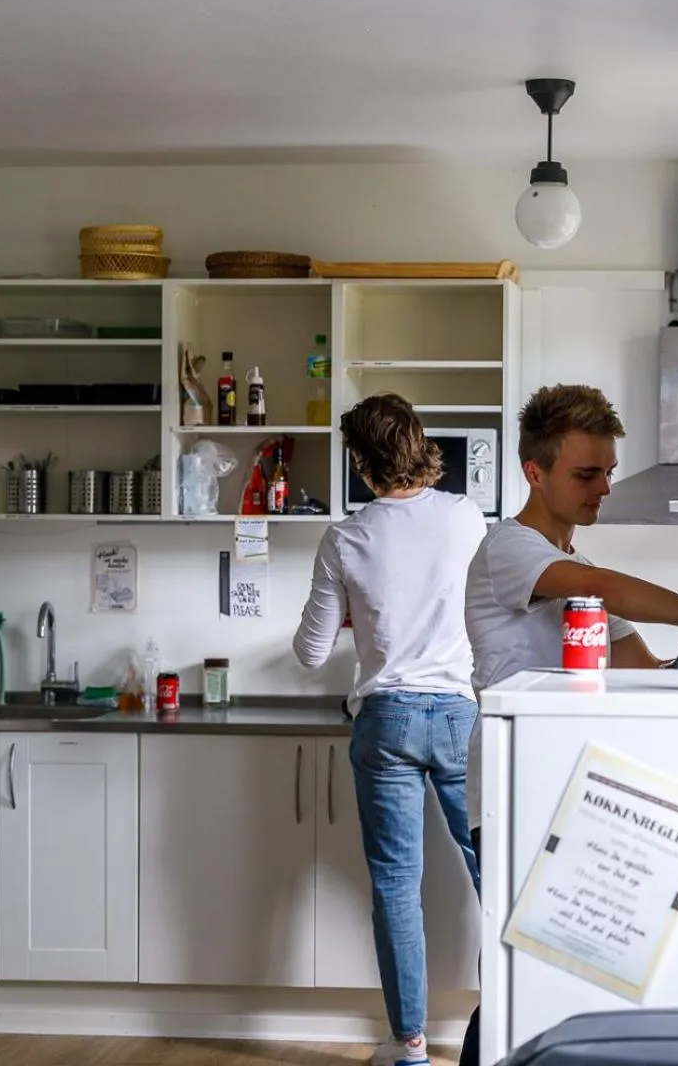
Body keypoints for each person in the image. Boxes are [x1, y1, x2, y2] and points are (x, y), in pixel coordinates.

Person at [457, 384, 678, 1066]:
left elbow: (640, 669)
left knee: (559, 964)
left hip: (574, 788)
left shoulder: (580, 573)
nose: (604, 488)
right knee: (515, 966)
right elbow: (612, 593)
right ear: (535, 473)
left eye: (608, 473)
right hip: (510, 786)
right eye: (586, 474)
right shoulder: (509, 549)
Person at [292, 393, 486, 1066]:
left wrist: (362, 617)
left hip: (388, 720)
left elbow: (312, 653)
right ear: (420, 443)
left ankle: (409, 1049)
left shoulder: (346, 537)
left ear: (359, 462)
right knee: (496, 873)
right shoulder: (467, 518)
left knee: (398, 887)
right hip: (463, 718)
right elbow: (486, 610)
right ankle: (518, 1024)